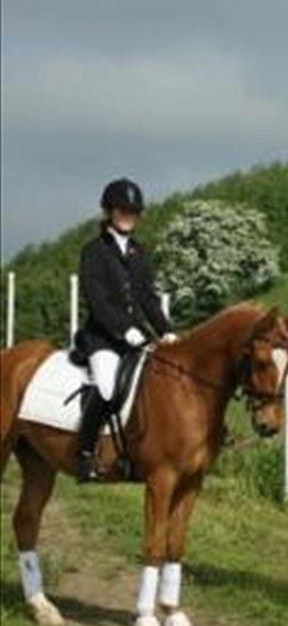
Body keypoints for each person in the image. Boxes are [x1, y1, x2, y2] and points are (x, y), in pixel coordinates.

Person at [73, 178, 177, 482]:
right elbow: (97, 301)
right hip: (103, 338)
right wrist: (124, 329)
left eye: (133, 211)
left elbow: (147, 298)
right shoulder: (93, 251)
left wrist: (166, 331)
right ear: (109, 212)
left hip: (138, 338)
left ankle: (135, 454)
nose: (128, 216)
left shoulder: (138, 252)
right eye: (122, 211)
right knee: (106, 386)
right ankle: (84, 455)